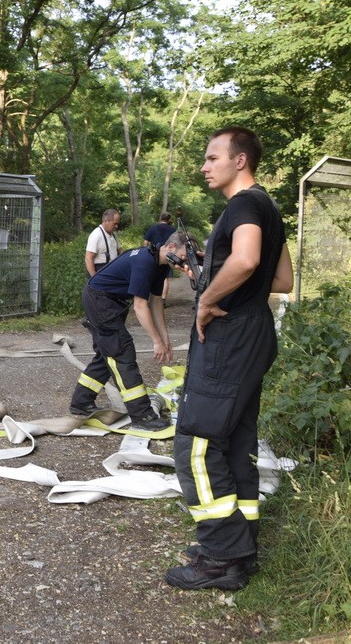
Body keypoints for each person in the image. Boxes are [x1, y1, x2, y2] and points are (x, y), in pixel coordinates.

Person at [165, 127, 293, 591]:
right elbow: (281, 278)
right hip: (255, 332)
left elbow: (246, 261)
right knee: (235, 441)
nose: (205, 165)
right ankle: (240, 547)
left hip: (229, 337)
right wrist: (205, 266)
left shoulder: (242, 205)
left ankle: (219, 557)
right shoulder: (268, 207)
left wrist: (205, 299)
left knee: (196, 443)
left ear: (240, 161)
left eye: (212, 157)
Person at [69, 230, 193, 431]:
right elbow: (140, 306)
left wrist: (164, 338)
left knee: (106, 353)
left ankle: (81, 402)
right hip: (100, 300)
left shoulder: (160, 265)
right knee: (122, 351)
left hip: (109, 301)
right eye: (182, 257)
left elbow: (156, 303)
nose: (182, 263)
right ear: (171, 247)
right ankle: (142, 415)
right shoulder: (145, 262)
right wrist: (155, 341)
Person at [143, 212, 177, 301]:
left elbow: (145, 243)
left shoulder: (152, 228)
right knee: (165, 278)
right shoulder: (173, 230)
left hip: (154, 256)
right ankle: (163, 299)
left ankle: (150, 298)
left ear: (160, 218)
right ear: (169, 220)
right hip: (168, 256)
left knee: (151, 276)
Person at [85, 209, 123, 279]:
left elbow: (120, 250)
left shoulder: (113, 234)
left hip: (111, 270)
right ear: (106, 221)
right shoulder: (96, 235)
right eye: (114, 224)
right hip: (100, 272)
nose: (117, 226)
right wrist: (94, 279)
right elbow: (88, 258)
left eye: (117, 224)